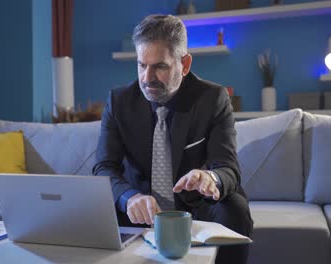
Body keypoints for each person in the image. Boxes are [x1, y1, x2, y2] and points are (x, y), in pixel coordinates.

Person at [93, 14, 253, 264]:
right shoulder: (118, 102)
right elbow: (104, 167)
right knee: (101, 209)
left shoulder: (213, 99)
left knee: (235, 209)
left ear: (185, 64)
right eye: (141, 65)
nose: (147, 78)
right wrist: (129, 197)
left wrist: (210, 178)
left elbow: (228, 168)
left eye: (160, 66)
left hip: (196, 205)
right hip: (141, 205)